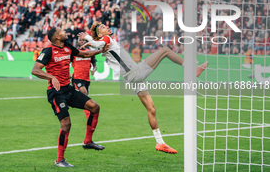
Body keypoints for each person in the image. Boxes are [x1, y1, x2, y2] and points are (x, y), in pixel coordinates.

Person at [78, 22, 208, 154]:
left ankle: (160, 143)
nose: (106, 26)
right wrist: (90, 40)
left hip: (132, 79)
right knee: (165, 50)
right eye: (102, 27)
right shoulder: (106, 40)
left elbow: (98, 44)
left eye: (105, 25)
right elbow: (99, 43)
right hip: (135, 73)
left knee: (151, 109)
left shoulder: (105, 41)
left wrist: (89, 40)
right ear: (100, 34)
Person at [31, 27, 109, 168]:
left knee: (94, 107)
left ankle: (88, 142)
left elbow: (83, 54)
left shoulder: (67, 47)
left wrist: (100, 51)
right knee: (66, 124)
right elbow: (35, 70)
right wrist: (52, 77)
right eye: (61, 32)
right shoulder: (48, 51)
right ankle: (59, 160)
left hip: (69, 89)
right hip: (56, 93)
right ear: (56, 38)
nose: (65, 33)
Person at [71, 39, 97, 123]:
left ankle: (72, 101)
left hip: (86, 79)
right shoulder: (74, 52)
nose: (81, 42)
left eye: (83, 40)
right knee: (85, 94)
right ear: (78, 42)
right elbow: (66, 62)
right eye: (80, 40)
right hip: (77, 78)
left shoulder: (89, 52)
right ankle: (90, 119)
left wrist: (93, 70)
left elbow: (94, 65)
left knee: (85, 99)